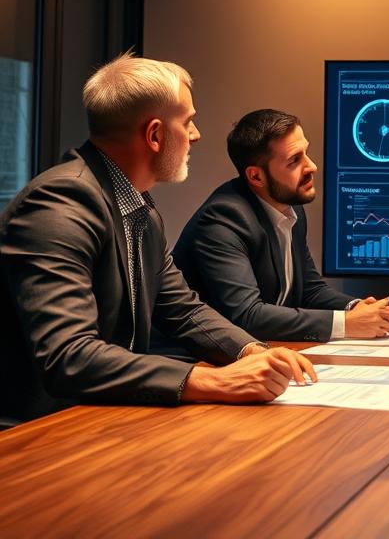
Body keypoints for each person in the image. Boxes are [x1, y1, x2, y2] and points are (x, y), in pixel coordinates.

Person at [0, 53, 316, 423]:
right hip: (39, 430)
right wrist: (213, 381)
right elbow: (70, 355)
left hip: (105, 413)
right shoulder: (59, 203)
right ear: (155, 135)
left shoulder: (139, 206)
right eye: (189, 123)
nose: (196, 136)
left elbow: (182, 309)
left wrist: (252, 351)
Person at [173, 109, 389, 342]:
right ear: (256, 177)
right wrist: (345, 324)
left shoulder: (290, 206)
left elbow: (310, 290)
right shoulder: (222, 220)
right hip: (200, 360)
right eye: (294, 161)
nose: (312, 167)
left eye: (306, 153)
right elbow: (247, 315)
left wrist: (356, 307)